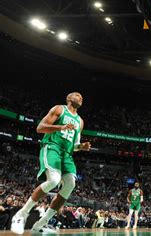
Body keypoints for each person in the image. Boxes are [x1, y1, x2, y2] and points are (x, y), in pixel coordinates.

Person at [11, 92, 91, 234]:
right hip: (52, 147)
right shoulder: (59, 109)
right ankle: (20, 215)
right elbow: (40, 127)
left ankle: (41, 224)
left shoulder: (80, 121)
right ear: (69, 99)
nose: (81, 97)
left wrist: (81, 147)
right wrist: (60, 127)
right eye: (78, 95)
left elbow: (75, 145)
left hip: (67, 154)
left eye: (82, 97)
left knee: (70, 184)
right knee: (54, 180)